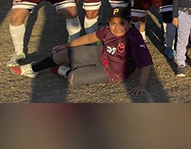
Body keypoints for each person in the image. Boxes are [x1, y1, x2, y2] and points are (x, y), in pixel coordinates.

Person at [11, 7, 153, 95]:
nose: (116, 27)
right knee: (63, 54)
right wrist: (66, 45)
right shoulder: (107, 30)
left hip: (112, 72)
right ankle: (33, 69)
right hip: (101, 54)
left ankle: (63, 70)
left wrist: (141, 84)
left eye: (122, 23)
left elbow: (146, 64)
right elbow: (89, 38)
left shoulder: (134, 39)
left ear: (129, 23)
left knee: (73, 78)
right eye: (113, 23)